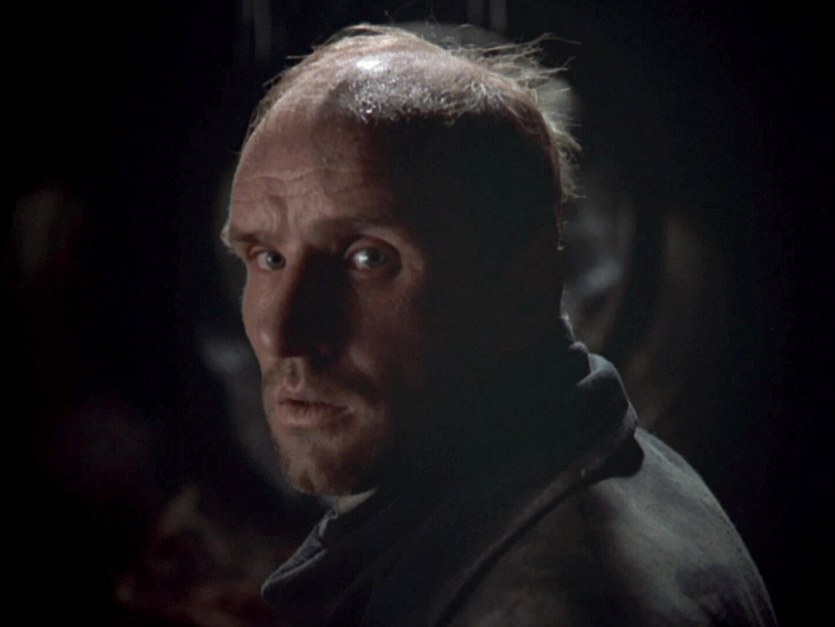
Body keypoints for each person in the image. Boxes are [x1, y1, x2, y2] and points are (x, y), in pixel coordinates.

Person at [222, 23, 777, 626]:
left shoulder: (545, 605)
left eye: (369, 259)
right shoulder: (614, 466)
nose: (282, 334)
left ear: (526, 285)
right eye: (268, 258)